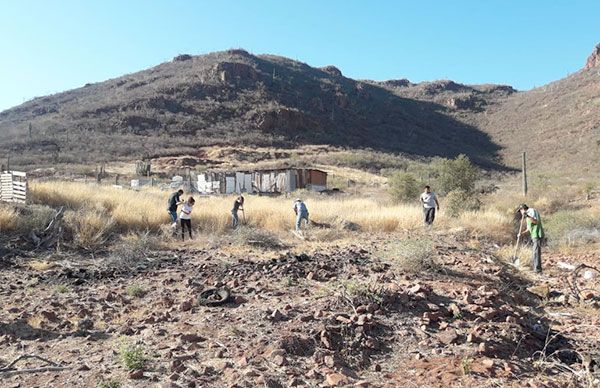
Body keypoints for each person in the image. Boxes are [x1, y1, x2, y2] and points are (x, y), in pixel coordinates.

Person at [517, 204, 544, 273]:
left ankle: (537, 270)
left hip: (537, 234)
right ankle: (537, 268)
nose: (520, 213)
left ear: (522, 209)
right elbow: (528, 229)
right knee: (535, 252)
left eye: (520, 211)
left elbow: (536, 221)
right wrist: (521, 234)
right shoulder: (527, 216)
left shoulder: (531, 211)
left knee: (536, 252)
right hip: (533, 235)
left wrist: (527, 216)